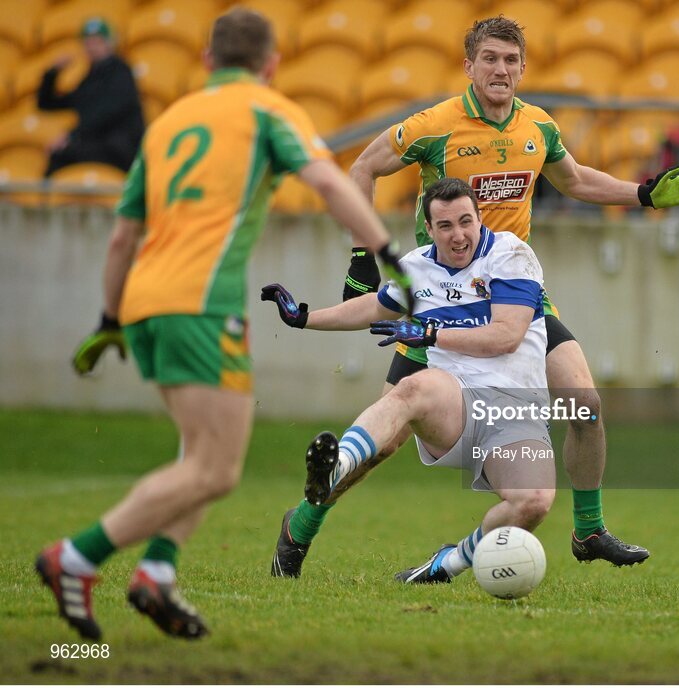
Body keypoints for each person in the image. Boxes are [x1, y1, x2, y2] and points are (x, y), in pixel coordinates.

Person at [270, 15, 679, 578]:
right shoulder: (435, 125)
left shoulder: (538, 127)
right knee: (386, 442)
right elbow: (362, 168)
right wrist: (361, 255)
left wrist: (644, 193)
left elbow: (573, 181)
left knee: (586, 404)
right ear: (470, 66)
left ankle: (589, 529)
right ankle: (301, 525)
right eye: (490, 59)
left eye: (510, 60)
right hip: (442, 302)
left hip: (516, 300)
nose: (501, 70)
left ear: (523, 67)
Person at [36, 7, 409, 641]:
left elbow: (124, 233)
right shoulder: (268, 109)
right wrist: (388, 253)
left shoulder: (169, 122)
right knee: (216, 469)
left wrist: (109, 317)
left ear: (207, 60)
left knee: (200, 453)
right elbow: (327, 180)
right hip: (202, 305)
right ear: (272, 64)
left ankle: (157, 572)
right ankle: (75, 559)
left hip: (143, 303)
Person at [264, 177, 556, 584]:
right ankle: (334, 469)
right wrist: (305, 318)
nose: (459, 236)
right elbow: (375, 307)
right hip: (454, 408)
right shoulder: (417, 267)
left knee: (534, 502)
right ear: (429, 228)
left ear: (479, 218)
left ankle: (446, 564)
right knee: (416, 387)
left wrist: (433, 334)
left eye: (466, 222)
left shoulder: (512, 255)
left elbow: (507, 336)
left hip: (515, 413)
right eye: (446, 226)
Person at [37, 17, 145, 177]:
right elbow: (46, 104)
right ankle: (47, 201)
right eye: (88, 42)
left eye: (97, 42)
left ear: (109, 43)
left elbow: (107, 112)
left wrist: (71, 135)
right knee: (58, 156)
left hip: (120, 147)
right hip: (98, 144)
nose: (92, 47)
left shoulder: (120, 71)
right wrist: (51, 74)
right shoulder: (89, 78)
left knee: (62, 154)